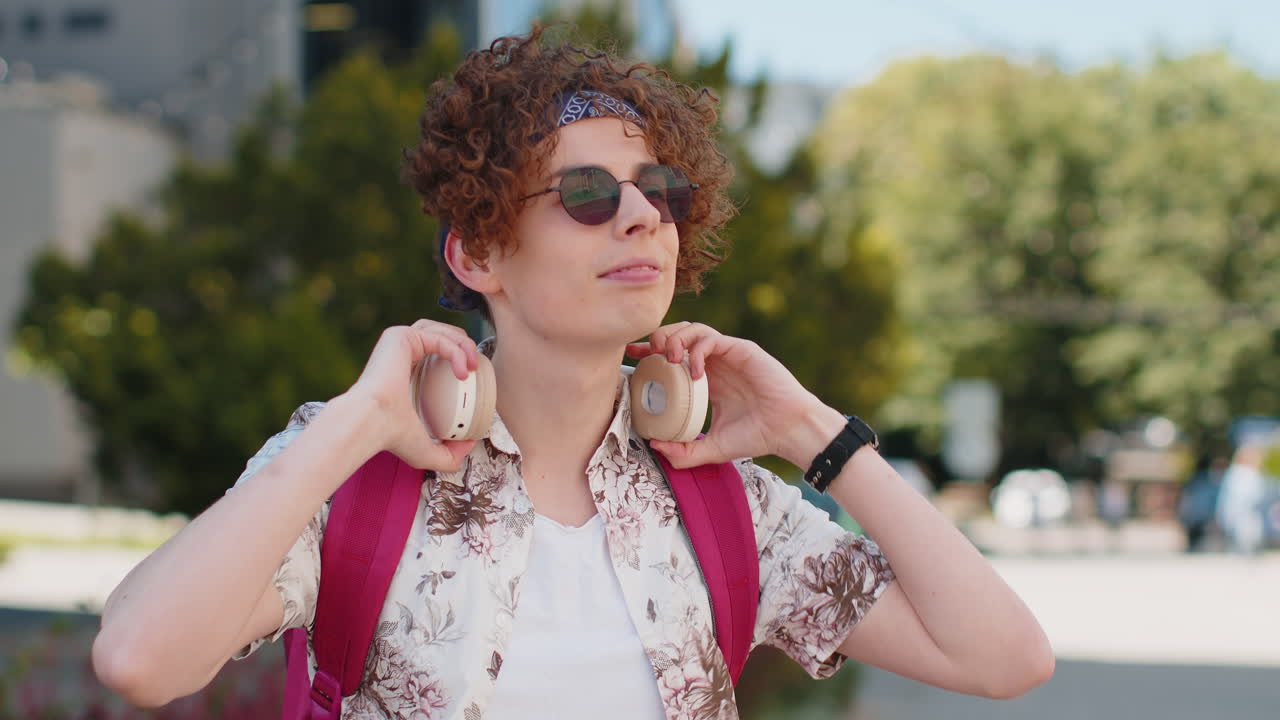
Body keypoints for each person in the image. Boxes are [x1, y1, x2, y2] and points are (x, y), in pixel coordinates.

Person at [90, 27, 1054, 718]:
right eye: (586, 194)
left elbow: (1006, 659)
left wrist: (812, 432)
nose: (641, 216)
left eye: (660, 193)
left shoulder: (728, 506)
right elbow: (139, 659)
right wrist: (352, 421)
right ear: (479, 253)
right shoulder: (354, 476)